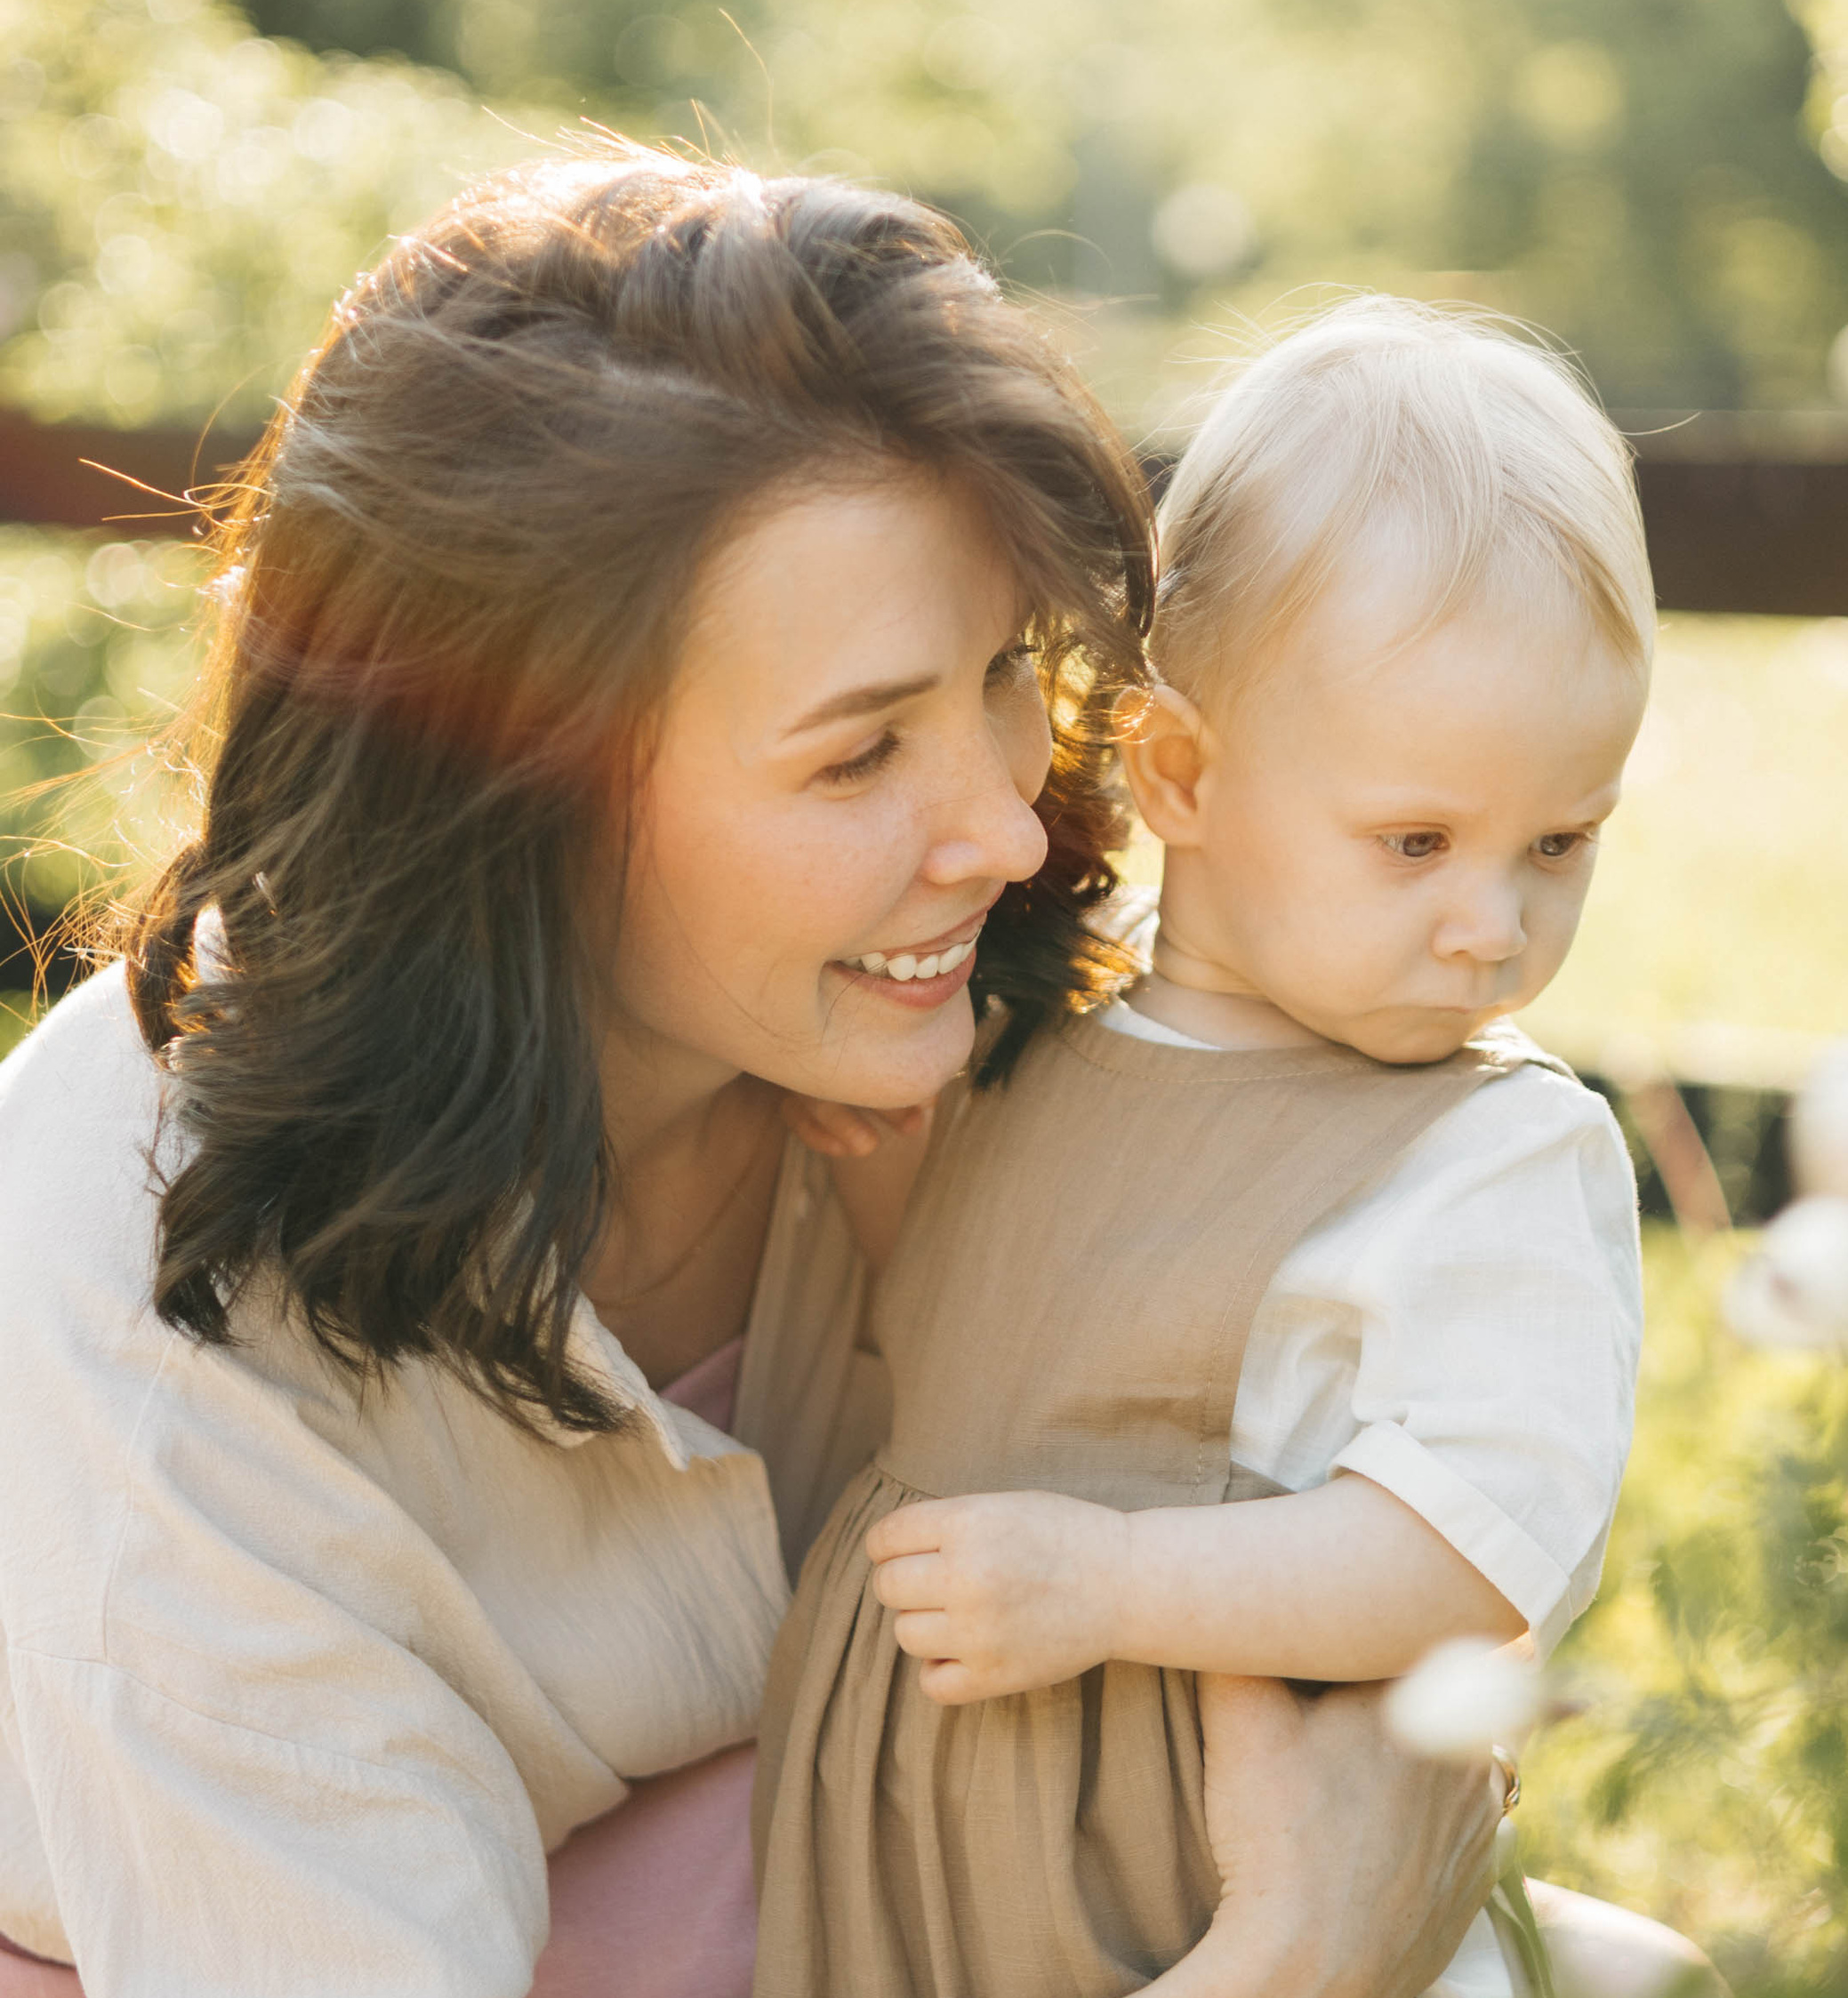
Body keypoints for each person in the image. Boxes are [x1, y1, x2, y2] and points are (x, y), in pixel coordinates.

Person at [0, 153, 1507, 1998]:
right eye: (856, 754)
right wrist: (1293, 1956)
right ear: (513, 793)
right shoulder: (170, 1325)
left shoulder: (933, 1047)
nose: (1007, 831)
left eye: (999, 675)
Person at [749, 299, 1655, 1998]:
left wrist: (1113, 1582)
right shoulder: (1029, 1057)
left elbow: (1470, 1553)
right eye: (1417, 840)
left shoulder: (1489, 1159)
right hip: (919, 1875)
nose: (1493, 925)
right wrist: (880, 1162)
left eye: (1559, 842)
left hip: (1240, 1886)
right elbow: (980, 1326)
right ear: (1178, 771)